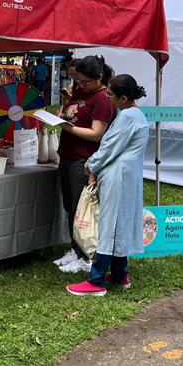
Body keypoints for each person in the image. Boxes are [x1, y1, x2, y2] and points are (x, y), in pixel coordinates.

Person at [67, 74, 149, 296]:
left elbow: (110, 147)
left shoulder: (127, 118)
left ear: (123, 98)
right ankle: (120, 273)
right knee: (119, 223)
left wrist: (91, 164)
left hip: (118, 176)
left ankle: (97, 280)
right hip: (126, 175)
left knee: (109, 224)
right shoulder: (136, 115)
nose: (107, 98)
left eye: (110, 95)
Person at [54, 55, 115, 268]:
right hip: (67, 154)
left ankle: (85, 254)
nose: (81, 85)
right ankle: (75, 249)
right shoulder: (80, 91)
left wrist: (65, 126)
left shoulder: (103, 99)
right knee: (70, 205)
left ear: (99, 77)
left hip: (84, 159)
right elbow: (73, 114)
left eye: (86, 82)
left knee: (82, 208)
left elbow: (96, 133)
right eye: (78, 81)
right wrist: (61, 113)